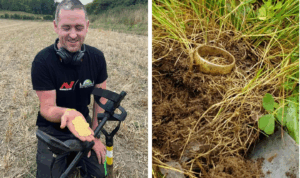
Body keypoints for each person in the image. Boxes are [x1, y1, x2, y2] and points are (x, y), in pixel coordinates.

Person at [31, 0, 108, 177]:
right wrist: (67, 113)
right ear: (55, 26)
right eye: (66, 28)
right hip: (52, 130)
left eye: (79, 28)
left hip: (83, 125)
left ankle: (76, 152)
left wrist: (95, 135)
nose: (73, 35)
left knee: (99, 174)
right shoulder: (42, 62)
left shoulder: (97, 58)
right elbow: (47, 108)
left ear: (87, 26)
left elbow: (100, 99)